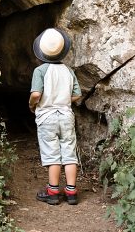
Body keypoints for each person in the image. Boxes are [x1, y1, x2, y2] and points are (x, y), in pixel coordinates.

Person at [29, 27, 82, 206]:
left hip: (47, 117)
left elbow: (36, 94)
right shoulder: (68, 71)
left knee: (52, 154)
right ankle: (71, 192)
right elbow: (77, 95)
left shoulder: (40, 71)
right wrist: (64, 99)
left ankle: (52, 192)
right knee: (69, 152)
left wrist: (31, 105)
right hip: (66, 115)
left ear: (41, 51)